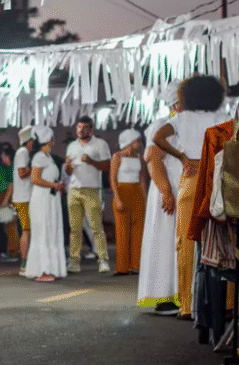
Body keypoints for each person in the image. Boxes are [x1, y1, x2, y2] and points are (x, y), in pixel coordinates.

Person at [153, 76, 228, 320]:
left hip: (191, 178)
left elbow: (157, 138)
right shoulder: (222, 117)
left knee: (185, 242)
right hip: (216, 179)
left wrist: (182, 157)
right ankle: (227, 305)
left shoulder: (181, 118)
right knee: (223, 239)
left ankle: (187, 305)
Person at [137, 83, 182, 315]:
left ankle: (182, 293)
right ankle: (166, 295)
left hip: (181, 189)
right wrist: (166, 192)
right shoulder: (162, 125)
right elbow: (152, 158)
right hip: (168, 189)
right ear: (175, 104)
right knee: (166, 240)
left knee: (179, 242)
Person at [64, 116, 111, 274]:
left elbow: (106, 166)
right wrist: (68, 167)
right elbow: (68, 172)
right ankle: (74, 261)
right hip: (74, 189)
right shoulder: (72, 146)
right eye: (78, 127)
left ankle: (102, 260)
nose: (80, 130)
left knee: (96, 227)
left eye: (84, 127)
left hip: (92, 190)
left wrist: (91, 161)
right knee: (75, 229)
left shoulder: (100, 144)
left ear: (91, 129)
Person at [24, 126, 67, 282]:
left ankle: (51, 268)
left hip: (51, 198)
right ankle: (42, 270)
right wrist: (53, 185)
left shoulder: (48, 157)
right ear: (48, 140)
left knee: (50, 232)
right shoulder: (39, 157)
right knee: (43, 232)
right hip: (42, 198)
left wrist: (57, 185)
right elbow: (35, 179)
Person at [110, 129, 147, 276]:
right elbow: (113, 179)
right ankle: (122, 267)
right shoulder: (117, 156)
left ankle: (135, 265)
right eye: (138, 140)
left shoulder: (139, 158)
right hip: (122, 192)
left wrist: (145, 199)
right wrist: (117, 198)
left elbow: (142, 179)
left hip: (137, 193)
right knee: (122, 230)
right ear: (130, 142)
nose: (140, 143)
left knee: (138, 230)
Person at [13, 126, 34, 276]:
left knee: (27, 230)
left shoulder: (22, 152)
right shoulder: (23, 152)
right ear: (29, 141)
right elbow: (22, 173)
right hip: (24, 197)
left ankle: (28, 262)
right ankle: (24, 263)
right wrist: (36, 167)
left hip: (23, 197)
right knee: (26, 230)